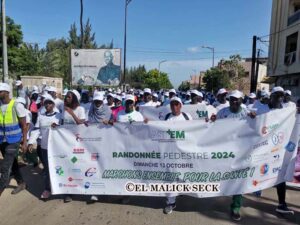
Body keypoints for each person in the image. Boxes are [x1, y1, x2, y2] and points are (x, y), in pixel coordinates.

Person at [211, 90, 255, 221]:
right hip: (224, 151)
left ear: (241, 100)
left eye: (237, 99)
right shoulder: (222, 113)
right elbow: (212, 127)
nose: (234, 101)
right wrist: (212, 120)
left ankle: (236, 206)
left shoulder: (246, 113)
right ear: (229, 100)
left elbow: (258, 125)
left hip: (242, 151)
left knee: (239, 178)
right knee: (221, 175)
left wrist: (255, 117)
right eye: (232, 99)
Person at [27, 95, 62, 200]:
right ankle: (47, 189)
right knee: (47, 169)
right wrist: (30, 142)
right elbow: (36, 130)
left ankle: (64, 189)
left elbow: (65, 130)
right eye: (46, 103)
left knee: (60, 168)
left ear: (53, 104)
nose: (47, 105)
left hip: (58, 148)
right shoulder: (41, 117)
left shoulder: (59, 116)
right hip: (44, 147)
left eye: (50, 103)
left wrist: (58, 126)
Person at [163, 96, 192, 214]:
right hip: (171, 153)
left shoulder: (187, 117)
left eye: (176, 104)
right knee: (171, 177)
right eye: (172, 105)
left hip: (184, 153)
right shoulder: (167, 117)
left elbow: (195, 131)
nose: (174, 107)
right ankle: (171, 202)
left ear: (180, 105)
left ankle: (180, 192)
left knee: (183, 175)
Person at [0, 83, 28, 197]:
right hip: (2, 140)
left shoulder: (16, 105)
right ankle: (21, 183)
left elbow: (24, 126)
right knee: (13, 163)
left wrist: (24, 142)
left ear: (7, 92)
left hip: (14, 140)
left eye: (0, 91)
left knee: (5, 167)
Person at [62, 90, 86, 203]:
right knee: (68, 165)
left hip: (77, 142)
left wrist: (72, 113)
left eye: (69, 97)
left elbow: (81, 124)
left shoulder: (80, 109)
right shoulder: (64, 110)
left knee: (78, 164)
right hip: (66, 142)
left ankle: (82, 186)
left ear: (75, 99)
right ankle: (69, 191)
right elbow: (63, 124)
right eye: (66, 97)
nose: (67, 98)